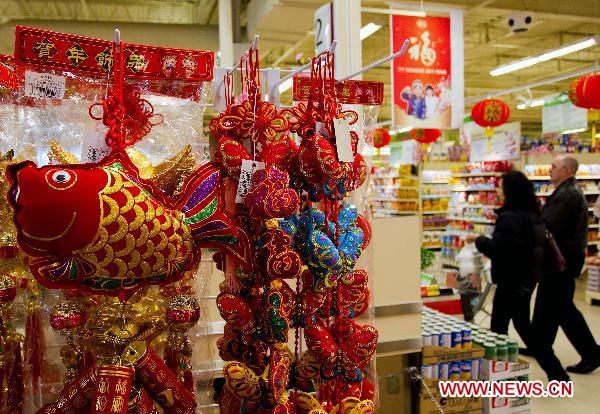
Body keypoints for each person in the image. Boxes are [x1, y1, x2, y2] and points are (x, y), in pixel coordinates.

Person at [532, 155, 600, 380]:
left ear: (567, 171)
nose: (549, 170)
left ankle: (591, 353)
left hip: (559, 263)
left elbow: (547, 225)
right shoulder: (567, 191)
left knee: (562, 309)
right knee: (552, 306)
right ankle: (539, 344)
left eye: (554, 167)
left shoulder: (567, 194)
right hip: (561, 262)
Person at [469, 171, 544, 350]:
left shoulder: (510, 217)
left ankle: (500, 368)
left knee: (499, 327)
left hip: (511, 279)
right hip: (526, 277)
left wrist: (478, 239)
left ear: (510, 190)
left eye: (501, 187)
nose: (498, 191)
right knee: (522, 324)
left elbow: (500, 251)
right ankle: (551, 364)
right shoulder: (532, 212)